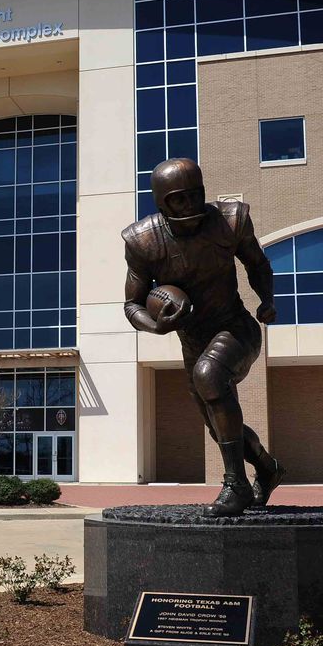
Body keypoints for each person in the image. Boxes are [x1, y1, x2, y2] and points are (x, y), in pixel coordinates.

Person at [122, 158, 284, 516]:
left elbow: (257, 263)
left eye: (196, 194)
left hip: (236, 327)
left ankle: (236, 485)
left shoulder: (230, 220)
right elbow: (132, 304)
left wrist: (267, 300)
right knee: (218, 427)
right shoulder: (143, 240)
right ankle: (267, 468)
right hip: (193, 341)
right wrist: (157, 325)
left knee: (210, 377)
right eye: (180, 199)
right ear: (162, 202)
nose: (191, 205)